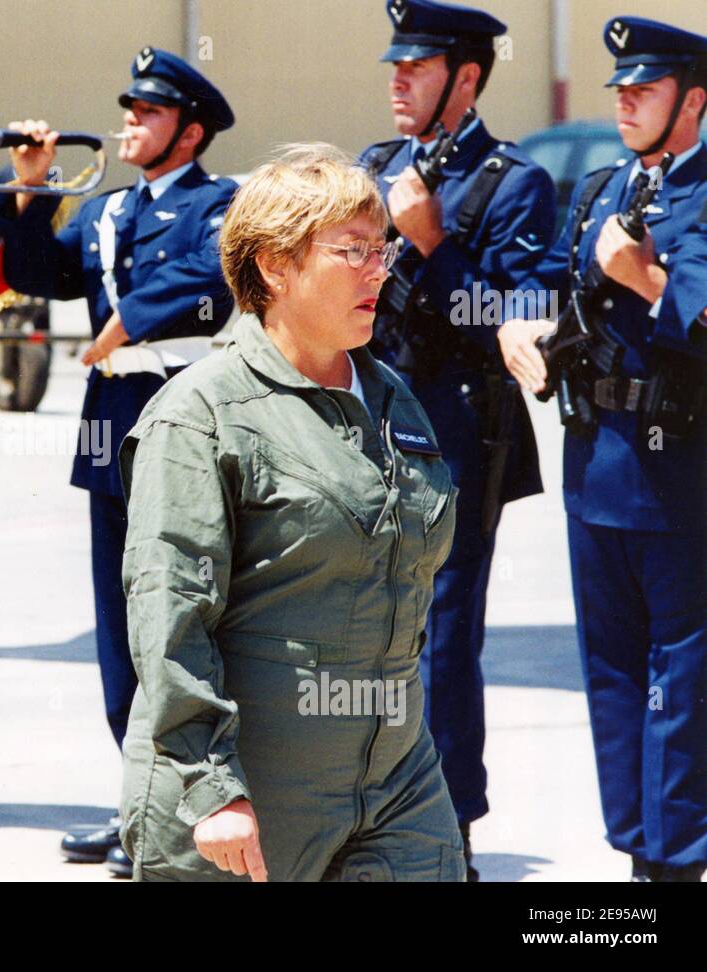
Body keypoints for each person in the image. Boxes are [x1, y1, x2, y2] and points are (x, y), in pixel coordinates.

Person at [118, 144, 462, 882]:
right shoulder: (201, 416)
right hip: (250, 796)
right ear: (275, 266)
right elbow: (170, 615)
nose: (381, 269)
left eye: (384, 249)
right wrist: (212, 788)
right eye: (353, 251)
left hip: (397, 784)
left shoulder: (394, 400)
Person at [0, 47, 237, 876]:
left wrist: (128, 317)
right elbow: (30, 273)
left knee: (183, 621)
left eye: (149, 112)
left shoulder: (221, 204)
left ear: (191, 130)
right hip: (110, 427)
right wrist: (28, 190)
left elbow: (214, 282)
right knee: (120, 631)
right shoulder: (105, 210)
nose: (129, 122)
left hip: (184, 419)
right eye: (128, 108)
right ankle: (139, 805)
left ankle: (192, 809)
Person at [498, 16, 707, 883]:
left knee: (683, 685)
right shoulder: (597, 190)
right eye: (618, 87)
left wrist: (644, 277)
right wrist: (518, 332)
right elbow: (540, 282)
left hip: (682, 474)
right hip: (597, 467)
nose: (623, 100)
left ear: (694, 101)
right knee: (614, 680)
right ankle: (634, 855)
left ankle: (677, 867)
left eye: (645, 89)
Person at [358, 0, 556, 879]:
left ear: (465, 79)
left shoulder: (516, 182)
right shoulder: (376, 165)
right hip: (365, 431)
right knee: (356, 631)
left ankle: (447, 831)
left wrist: (430, 241)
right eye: (394, 66)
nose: (396, 80)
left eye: (418, 67)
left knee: (440, 636)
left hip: (457, 438)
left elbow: (511, 328)